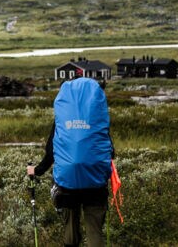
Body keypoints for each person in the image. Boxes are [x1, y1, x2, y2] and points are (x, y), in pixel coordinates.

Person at [28, 77, 114, 247]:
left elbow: (51, 151)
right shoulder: (96, 116)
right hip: (95, 182)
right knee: (95, 232)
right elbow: (109, 149)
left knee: (71, 232)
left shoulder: (63, 118)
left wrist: (36, 171)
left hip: (67, 184)